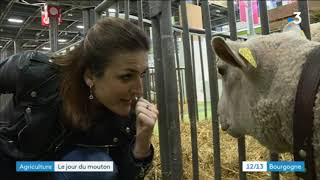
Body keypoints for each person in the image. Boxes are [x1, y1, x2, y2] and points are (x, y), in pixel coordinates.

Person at [0, 17, 158, 180]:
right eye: (126, 76)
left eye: (142, 74)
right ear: (90, 76)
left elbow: (122, 175)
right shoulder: (35, 72)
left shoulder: (126, 111)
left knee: (100, 169)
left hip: (46, 168)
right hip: (12, 163)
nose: (139, 90)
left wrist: (142, 145)